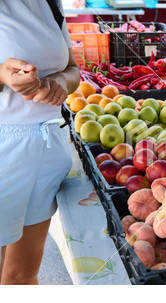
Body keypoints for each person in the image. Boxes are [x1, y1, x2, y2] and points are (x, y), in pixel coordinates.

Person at [0, 0, 80, 285]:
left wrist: (58, 82)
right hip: (4, 148)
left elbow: (72, 68)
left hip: (46, 143)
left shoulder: (50, 3)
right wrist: (1, 74)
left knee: (22, 274)